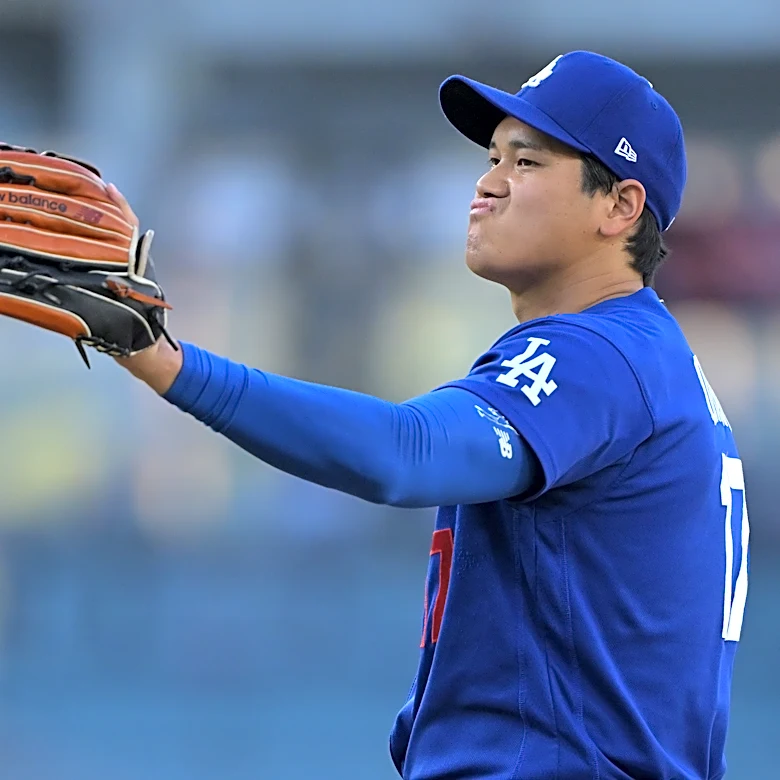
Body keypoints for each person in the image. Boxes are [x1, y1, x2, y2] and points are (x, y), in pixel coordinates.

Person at [109, 51, 748, 779]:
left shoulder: (601, 354)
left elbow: (403, 451)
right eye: (493, 156)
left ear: (620, 206)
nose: (488, 183)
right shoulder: (645, 359)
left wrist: (171, 364)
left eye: (529, 163)